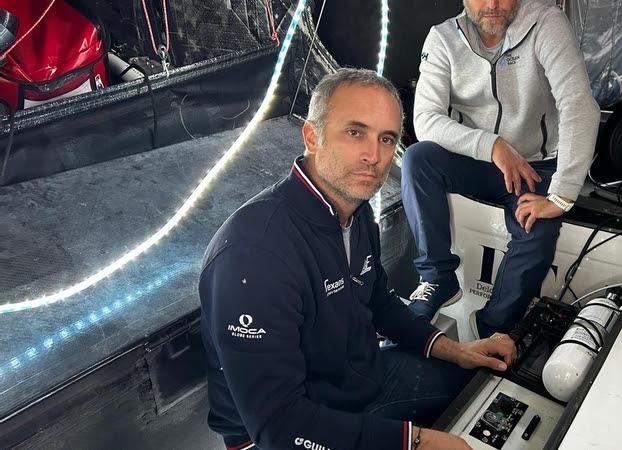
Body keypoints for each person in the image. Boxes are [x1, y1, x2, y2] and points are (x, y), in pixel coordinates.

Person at [199, 68, 517, 450]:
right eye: (355, 132)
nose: (374, 156)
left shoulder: (355, 207)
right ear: (312, 136)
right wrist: (416, 442)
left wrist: (457, 350)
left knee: (483, 388)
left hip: (357, 382)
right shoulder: (251, 257)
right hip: (279, 433)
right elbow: (279, 427)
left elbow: (379, 300)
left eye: (387, 139)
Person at [403, 0, 600, 337]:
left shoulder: (546, 23)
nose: (493, 4)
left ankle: (492, 331)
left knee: (536, 227)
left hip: (535, 164)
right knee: (418, 159)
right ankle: (437, 277)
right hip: (477, 159)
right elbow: (425, 119)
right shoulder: (443, 37)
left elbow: (578, 104)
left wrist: (562, 195)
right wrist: (491, 146)